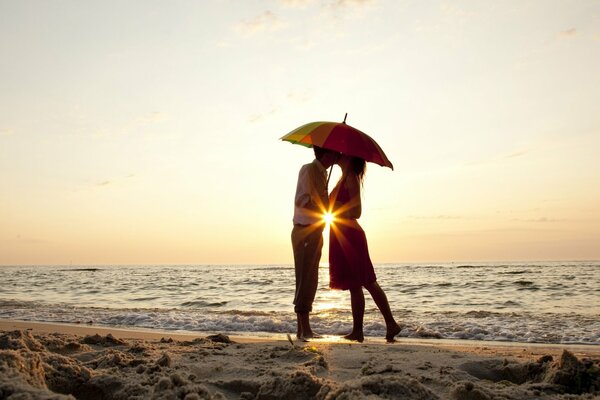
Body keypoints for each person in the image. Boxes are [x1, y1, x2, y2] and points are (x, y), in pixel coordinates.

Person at [329, 154, 401, 343]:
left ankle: (391, 323)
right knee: (354, 285)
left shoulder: (351, 177)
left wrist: (336, 207)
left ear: (350, 159)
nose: (339, 155)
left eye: (342, 154)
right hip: (340, 234)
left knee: (367, 280)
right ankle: (358, 331)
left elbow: (357, 211)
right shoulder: (342, 178)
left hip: (351, 234)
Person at [292, 146, 339, 340]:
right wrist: (322, 205)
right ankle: (304, 329)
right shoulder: (308, 170)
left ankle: (302, 329)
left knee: (311, 278)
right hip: (304, 230)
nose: (337, 156)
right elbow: (302, 199)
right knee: (305, 278)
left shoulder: (322, 174)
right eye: (333, 153)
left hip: (315, 230)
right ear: (324, 154)